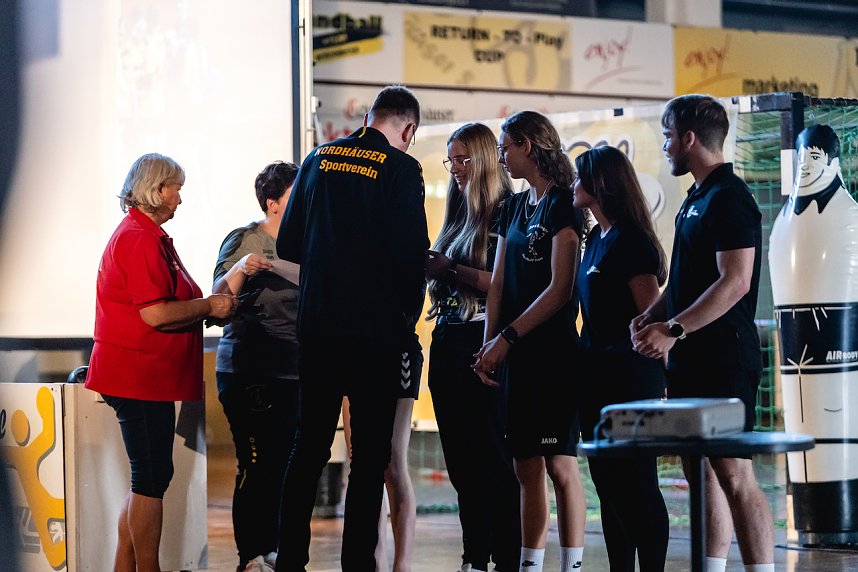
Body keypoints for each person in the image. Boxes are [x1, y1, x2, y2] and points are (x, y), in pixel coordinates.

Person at [275, 85, 429, 572]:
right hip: (375, 336)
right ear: (408, 129)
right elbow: (411, 258)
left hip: (318, 328)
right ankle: (358, 565)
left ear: (369, 117)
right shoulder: (403, 170)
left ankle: (291, 563)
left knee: (307, 449)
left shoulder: (319, 159)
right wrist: (406, 316)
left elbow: (289, 246)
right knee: (368, 460)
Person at [631, 94, 773, 572]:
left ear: (689, 138)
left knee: (735, 475)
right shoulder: (696, 197)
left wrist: (672, 328)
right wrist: (652, 313)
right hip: (692, 359)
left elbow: (735, 281)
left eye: (669, 136)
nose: (666, 146)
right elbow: (684, 281)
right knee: (702, 473)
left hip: (725, 359)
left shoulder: (731, 197)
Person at [85, 153, 238, 572]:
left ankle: (125, 566)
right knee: (151, 479)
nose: (180, 199)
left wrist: (208, 308)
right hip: (138, 375)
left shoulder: (146, 235)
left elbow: (170, 305)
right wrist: (209, 304)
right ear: (156, 190)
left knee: (148, 480)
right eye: (176, 188)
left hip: (145, 375)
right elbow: (155, 312)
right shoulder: (138, 237)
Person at [473, 110, 587, 572]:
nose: (501, 156)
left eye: (506, 147)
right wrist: (489, 346)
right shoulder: (513, 206)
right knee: (525, 467)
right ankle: (530, 564)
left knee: (560, 465)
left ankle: (572, 564)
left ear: (529, 145)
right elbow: (499, 281)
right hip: (514, 352)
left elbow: (561, 289)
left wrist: (510, 336)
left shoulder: (566, 204)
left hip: (553, 354)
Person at [424, 122, 521, 572]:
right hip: (446, 338)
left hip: (484, 340)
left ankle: (503, 559)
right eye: (451, 160)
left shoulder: (506, 209)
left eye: (464, 159)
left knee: (491, 460)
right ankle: (473, 558)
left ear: (484, 159)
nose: (457, 168)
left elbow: (502, 283)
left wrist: (449, 269)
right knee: (461, 463)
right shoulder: (456, 207)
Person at [573, 146, 670, 571]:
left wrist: (667, 380)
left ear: (600, 185)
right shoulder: (595, 238)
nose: (573, 185)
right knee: (607, 487)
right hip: (595, 381)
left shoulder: (630, 241)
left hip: (632, 382)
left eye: (580, 177)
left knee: (636, 486)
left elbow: (654, 321)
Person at [213, 161, 301, 572]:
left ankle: (276, 550)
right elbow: (218, 298)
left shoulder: (310, 239)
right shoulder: (246, 239)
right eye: (294, 193)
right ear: (273, 204)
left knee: (289, 462)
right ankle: (251, 554)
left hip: (298, 369)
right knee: (257, 462)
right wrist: (240, 267)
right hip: (250, 367)